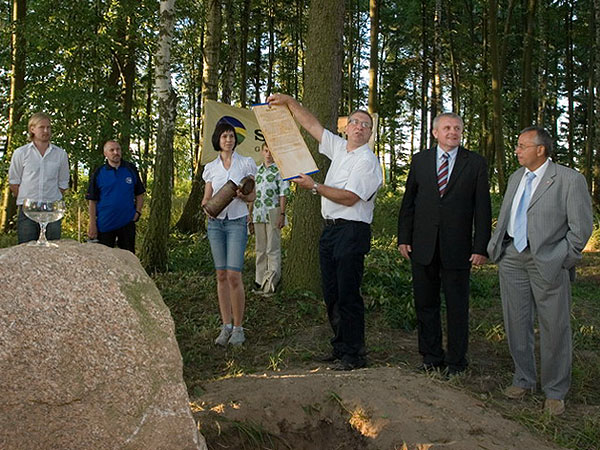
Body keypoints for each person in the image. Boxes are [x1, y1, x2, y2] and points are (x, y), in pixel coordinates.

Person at [267, 93, 383, 371]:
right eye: (354, 122)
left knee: (348, 293)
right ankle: (340, 347)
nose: (359, 127)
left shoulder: (367, 161)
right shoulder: (341, 149)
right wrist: (290, 103)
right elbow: (312, 126)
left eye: (365, 125)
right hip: (330, 231)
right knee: (331, 293)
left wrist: (315, 187)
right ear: (346, 127)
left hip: (352, 232)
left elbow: (350, 197)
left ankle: (354, 355)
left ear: (370, 133)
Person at [487, 126, 593, 415]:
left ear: (541, 150)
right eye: (517, 145)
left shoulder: (569, 180)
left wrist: (561, 258)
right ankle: (523, 379)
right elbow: (508, 214)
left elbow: (581, 228)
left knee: (554, 326)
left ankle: (555, 390)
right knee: (516, 322)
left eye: (522, 146)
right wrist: (499, 247)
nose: (517, 150)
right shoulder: (514, 178)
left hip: (548, 261)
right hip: (512, 258)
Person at [397, 112, 491, 376]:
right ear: (435, 132)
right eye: (447, 127)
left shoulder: (474, 163)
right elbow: (409, 203)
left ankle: (457, 362)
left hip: (458, 248)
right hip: (422, 245)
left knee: (457, 306)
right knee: (425, 303)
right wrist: (404, 237)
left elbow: (482, 209)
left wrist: (480, 246)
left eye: (458, 128)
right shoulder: (420, 161)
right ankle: (430, 356)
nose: (453, 132)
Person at [202, 122, 257, 347]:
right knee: (221, 276)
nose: (228, 139)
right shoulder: (211, 167)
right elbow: (206, 197)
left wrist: (242, 196)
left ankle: (238, 328)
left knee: (234, 276)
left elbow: (252, 196)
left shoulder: (246, 163)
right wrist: (207, 206)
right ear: (218, 139)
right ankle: (225, 326)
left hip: (236, 223)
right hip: (215, 225)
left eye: (232, 136)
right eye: (224, 136)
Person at [8, 112, 70, 244]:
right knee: (26, 249)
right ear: (32, 129)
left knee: (52, 251)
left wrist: (51, 199)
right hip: (27, 210)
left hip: (52, 211)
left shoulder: (60, 154)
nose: (46, 131)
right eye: (42, 127)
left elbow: (63, 183)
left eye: (49, 127)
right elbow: (14, 182)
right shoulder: (21, 153)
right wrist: (27, 200)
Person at [86, 140, 146, 253]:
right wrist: (92, 224)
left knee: (128, 259)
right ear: (105, 154)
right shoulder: (99, 172)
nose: (116, 152)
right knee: (104, 259)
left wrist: (137, 213)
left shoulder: (130, 169)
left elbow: (140, 193)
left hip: (126, 223)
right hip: (105, 224)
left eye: (118, 149)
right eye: (112, 150)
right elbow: (92, 201)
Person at [250, 142, 290, 295]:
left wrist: (282, 214)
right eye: (266, 150)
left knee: (272, 248)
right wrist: (250, 212)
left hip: (273, 212)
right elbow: (254, 194)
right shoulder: (258, 171)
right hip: (259, 212)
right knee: (260, 249)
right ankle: (259, 280)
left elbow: (283, 194)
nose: (268, 154)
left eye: (271, 151)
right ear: (261, 151)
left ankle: (272, 282)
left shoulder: (280, 171)